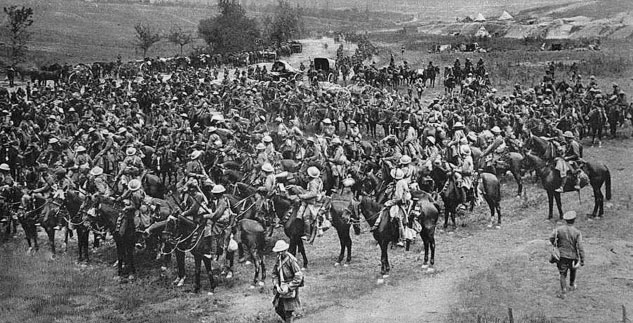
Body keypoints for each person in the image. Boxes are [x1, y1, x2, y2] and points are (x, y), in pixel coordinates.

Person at [549, 211, 585, 299]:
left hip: (561, 255)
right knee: (573, 270)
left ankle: (564, 291)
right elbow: (580, 247)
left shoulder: (559, 229)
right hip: (573, 255)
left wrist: (556, 244)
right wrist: (582, 259)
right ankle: (572, 285)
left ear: (565, 220)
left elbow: (551, 237)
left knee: (562, 274)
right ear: (574, 220)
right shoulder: (577, 232)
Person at [271, 240, 304, 323]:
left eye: (280, 252)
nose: (278, 254)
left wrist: (289, 287)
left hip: (290, 288)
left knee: (288, 312)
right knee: (278, 308)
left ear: (285, 250)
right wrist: (277, 285)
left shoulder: (291, 260)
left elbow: (299, 276)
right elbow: (274, 274)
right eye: (277, 252)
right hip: (281, 287)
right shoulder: (278, 260)